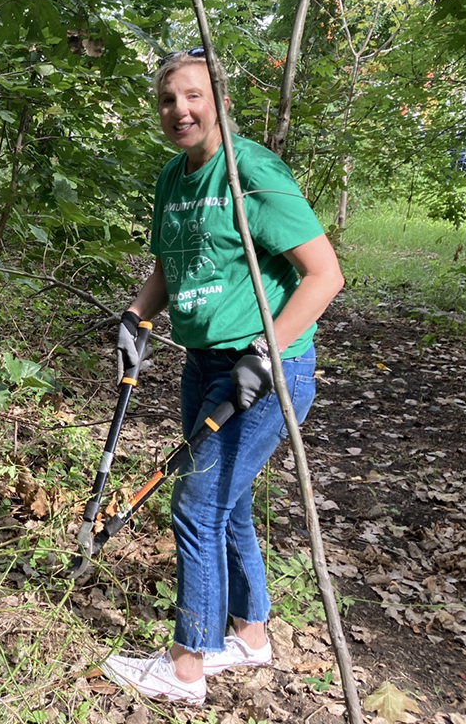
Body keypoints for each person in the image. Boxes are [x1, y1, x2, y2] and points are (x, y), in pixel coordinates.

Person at [99, 48, 344, 704]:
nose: (180, 109)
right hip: (204, 363)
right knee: (225, 503)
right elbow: (170, 264)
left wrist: (266, 354)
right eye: (167, 100)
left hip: (267, 370)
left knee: (195, 504)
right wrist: (135, 316)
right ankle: (251, 634)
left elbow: (326, 275)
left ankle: (186, 667)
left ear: (220, 102)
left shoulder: (252, 174)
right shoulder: (172, 180)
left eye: (194, 96)